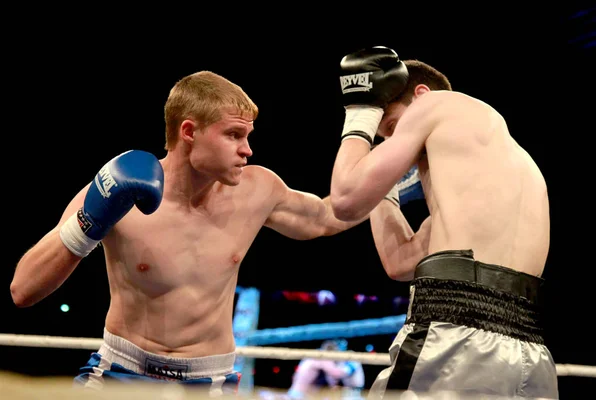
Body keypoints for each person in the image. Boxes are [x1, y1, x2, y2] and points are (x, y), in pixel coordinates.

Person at [10, 71, 368, 395]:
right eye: (233, 135)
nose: (247, 149)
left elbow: (327, 216)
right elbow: (23, 289)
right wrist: (89, 221)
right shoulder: (120, 191)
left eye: (247, 135)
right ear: (189, 132)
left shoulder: (259, 189)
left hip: (210, 381)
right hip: (121, 373)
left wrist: (388, 182)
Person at [329, 46, 557, 399]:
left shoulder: (438, 105)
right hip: (528, 350)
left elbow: (344, 199)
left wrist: (361, 111)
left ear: (421, 94)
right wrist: (381, 186)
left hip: (452, 332)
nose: (392, 146)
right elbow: (399, 262)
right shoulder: (499, 175)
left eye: (391, 127)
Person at [286, 339, 365, 400]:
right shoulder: (321, 357)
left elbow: (294, 377)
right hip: (301, 395)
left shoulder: (352, 358)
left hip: (354, 392)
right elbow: (337, 373)